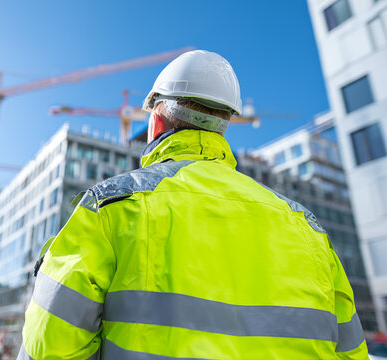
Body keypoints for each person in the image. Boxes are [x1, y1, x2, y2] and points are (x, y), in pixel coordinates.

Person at [19, 50, 368, 359]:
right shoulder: (308, 228)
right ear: (223, 127)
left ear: (155, 121)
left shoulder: (111, 207)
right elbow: (352, 352)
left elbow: (47, 347)